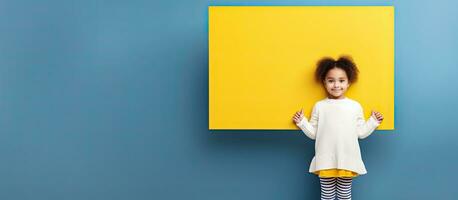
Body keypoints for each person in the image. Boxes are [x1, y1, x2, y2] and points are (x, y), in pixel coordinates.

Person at [292, 56, 384, 200]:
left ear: (348, 83)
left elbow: (360, 132)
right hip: (325, 159)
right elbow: (315, 133)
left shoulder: (355, 106)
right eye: (331, 81)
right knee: (327, 196)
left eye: (341, 81)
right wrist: (302, 122)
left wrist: (373, 122)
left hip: (347, 159)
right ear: (324, 82)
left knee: (344, 195)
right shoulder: (320, 106)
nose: (336, 85)